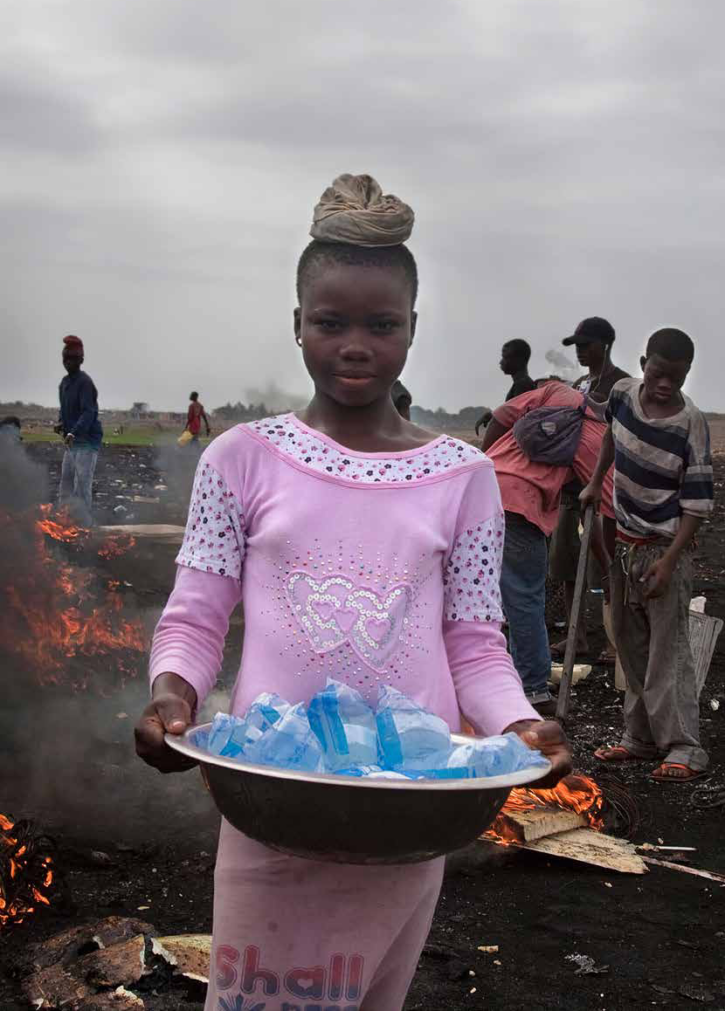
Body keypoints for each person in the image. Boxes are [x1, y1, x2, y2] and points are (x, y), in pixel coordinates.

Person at [135, 173, 571, 1011]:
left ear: (413, 329)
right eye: (330, 323)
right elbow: (195, 616)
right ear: (297, 325)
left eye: (382, 325)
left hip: (409, 817)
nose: (356, 345)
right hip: (273, 805)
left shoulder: (462, 475)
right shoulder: (242, 459)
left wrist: (517, 725)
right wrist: (171, 695)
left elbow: (474, 642)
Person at [581, 328, 713, 782]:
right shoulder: (621, 395)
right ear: (643, 365)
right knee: (630, 645)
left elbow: (696, 505)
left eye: (674, 378)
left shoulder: (689, 422)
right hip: (625, 543)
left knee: (667, 652)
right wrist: (596, 481)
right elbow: (611, 441)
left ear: (686, 375)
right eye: (657, 374)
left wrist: (670, 560)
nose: (664, 385)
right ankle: (638, 739)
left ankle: (683, 746)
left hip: (663, 549)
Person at [482, 381, 614, 714]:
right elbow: (606, 513)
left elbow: (500, 417)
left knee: (484, 597)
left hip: (478, 495)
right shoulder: (598, 441)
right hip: (520, 508)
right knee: (525, 598)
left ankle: (490, 679)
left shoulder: (557, 393)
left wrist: (483, 464)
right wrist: (609, 567)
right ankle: (532, 688)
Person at [549, 318, 630, 662]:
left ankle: (616, 641)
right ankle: (576, 636)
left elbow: (620, 432)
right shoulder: (581, 382)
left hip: (606, 487)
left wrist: (583, 406)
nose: (581, 351)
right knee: (567, 564)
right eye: (577, 346)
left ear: (605, 345)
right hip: (572, 489)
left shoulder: (622, 385)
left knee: (607, 565)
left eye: (586, 345)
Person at [54, 335, 102, 527]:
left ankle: (83, 527)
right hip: (71, 443)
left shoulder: (85, 383)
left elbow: (89, 412)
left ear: (80, 360)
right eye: (65, 359)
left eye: (72, 359)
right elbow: (64, 409)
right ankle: (63, 524)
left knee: (81, 486)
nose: (68, 363)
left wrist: (74, 431)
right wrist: (60, 423)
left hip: (87, 443)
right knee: (65, 485)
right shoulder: (64, 383)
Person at [475, 339, 536, 434]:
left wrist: (494, 416)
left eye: (505, 357)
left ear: (518, 360)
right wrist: (492, 415)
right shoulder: (521, 383)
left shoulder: (523, 384)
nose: (501, 362)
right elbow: (510, 412)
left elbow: (515, 417)